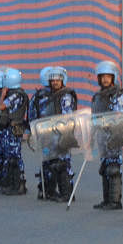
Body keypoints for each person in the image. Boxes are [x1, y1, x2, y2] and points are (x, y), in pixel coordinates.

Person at [91, 60, 123, 210]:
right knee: (105, 168)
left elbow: (117, 116)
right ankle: (106, 200)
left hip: (114, 136)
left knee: (113, 168)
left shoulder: (118, 95)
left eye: (108, 76)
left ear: (113, 77)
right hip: (102, 137)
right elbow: (95, 115)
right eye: (102, 76)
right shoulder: (98, 96)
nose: (105, 79)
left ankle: (115, 201)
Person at [43, 66, 77, 202]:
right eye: (53, 81)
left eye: (58, 80)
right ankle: (63, 192)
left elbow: (66, 117)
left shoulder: (66, 96)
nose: (55, 83)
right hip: (53, 134)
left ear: (63, 80)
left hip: (63, 134)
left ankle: (67, 194)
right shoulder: (52, 96)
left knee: (63, 164)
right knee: (56, 163)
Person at [0, 68, 29, 195]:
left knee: (14, 157)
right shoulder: (18, 93)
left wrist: (3, 94)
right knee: (12, 156)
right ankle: (14, 184)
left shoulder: (16, 94)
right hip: (14, 127)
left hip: (14, 127)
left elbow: (1, 106)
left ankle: (18, 185)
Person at [27, 67, 54, 200]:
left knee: (45, 161)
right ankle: (65, 189)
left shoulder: (37, 96)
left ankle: (44, 190)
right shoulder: (61, 94)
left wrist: (31, 132)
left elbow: (31, 116)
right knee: (61, 162)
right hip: (58, 133)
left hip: (43, 134)